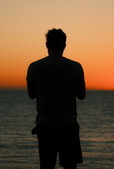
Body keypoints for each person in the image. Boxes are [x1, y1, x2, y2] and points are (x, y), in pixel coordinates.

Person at [27, 28, 86, 169]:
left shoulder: (34, 67)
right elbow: (82, 95)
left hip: (45, 126)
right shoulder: (75, 67)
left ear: (47, 45)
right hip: (68, 125)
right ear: (64, 45)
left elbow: (31, 95)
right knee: (70, 166)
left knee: (47, 166)